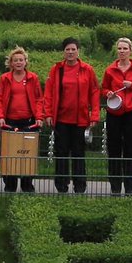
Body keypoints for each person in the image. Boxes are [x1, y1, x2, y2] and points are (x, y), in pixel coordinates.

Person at [43, 37, 99, 194]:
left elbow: (94, 92)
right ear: (63, 52)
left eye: (73, 49)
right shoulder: (56, 69)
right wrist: (48, 113)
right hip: (61, 119)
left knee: (78, 153)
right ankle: (61, 185)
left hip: (80, 120)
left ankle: (79, 186)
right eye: (67, 49)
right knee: (61, 153)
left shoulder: (87, 70)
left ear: (78, 51)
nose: (70, 52)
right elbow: (49, 92)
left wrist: (94, 115)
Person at [100, 37, 132, 195]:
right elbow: (103, 89)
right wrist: (108, 93)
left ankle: (130, 188)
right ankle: (115, 188)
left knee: (130, 150)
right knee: (114, 150)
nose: (122, 51)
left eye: (125, 48)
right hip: (113, 113)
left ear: (130, 51)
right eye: (119, 48)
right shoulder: (110, 70)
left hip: (130, 114)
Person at [0, 46, 44, 193]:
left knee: (27, 153)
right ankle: (10, 185)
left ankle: (27, 185)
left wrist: (39, 117)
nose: (18, 62)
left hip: (28, 122)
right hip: (9, 121)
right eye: (15, 60)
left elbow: (39, 99)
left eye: (21, 60)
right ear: (11, 63)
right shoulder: (4, 78)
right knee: (10, 154)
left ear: (25, 62)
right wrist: (0, 117)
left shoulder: (33, 78)